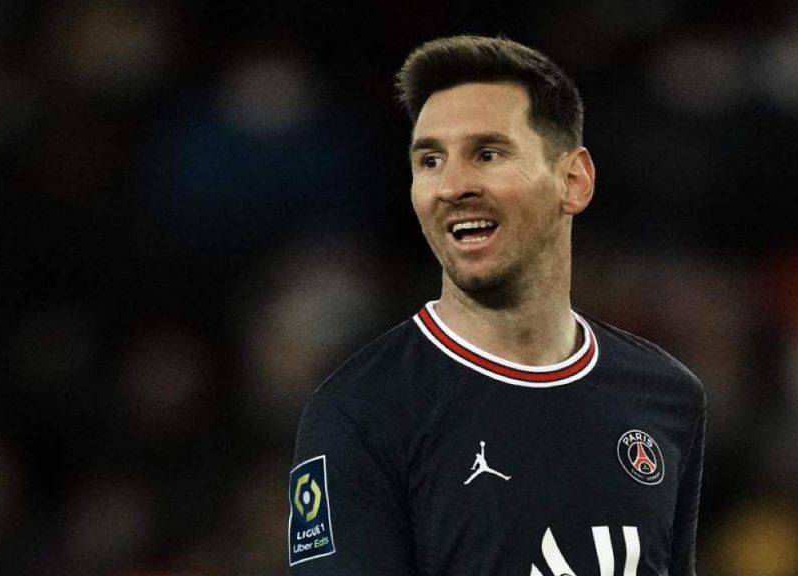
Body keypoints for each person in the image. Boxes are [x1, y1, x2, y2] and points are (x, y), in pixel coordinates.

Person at [288, 35, 706, 575]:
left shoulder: (665, 396)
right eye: (430, 160)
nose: (452, 186)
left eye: (487, 154)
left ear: (573, 181)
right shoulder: (360, 411)